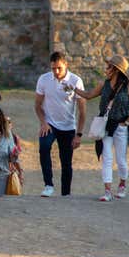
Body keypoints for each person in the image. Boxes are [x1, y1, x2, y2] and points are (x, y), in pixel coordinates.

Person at [74, 54, 129, 200]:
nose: (106, 69)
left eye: (109, 66)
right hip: (105, 127)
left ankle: (122, 184)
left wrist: (126, 123)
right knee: (107, 158)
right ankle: (107, 191)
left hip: (121, 126)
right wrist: (74, 89)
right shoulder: (103, 84)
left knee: (121, 159)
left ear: (116, 70)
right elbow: (89, 95)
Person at [34, 51, 86, 197]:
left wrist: (79, 135)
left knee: (66, 162)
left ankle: (66, 194)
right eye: (53, 68)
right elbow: (37, 105)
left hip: (68, 126)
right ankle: (48, 185)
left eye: (59, 68)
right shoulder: (43, 80)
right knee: (44, 147)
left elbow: (82, 111)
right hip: (49, 124)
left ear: (66, 65)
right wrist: (43, 123)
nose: (56, 72)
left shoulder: (76, 81)